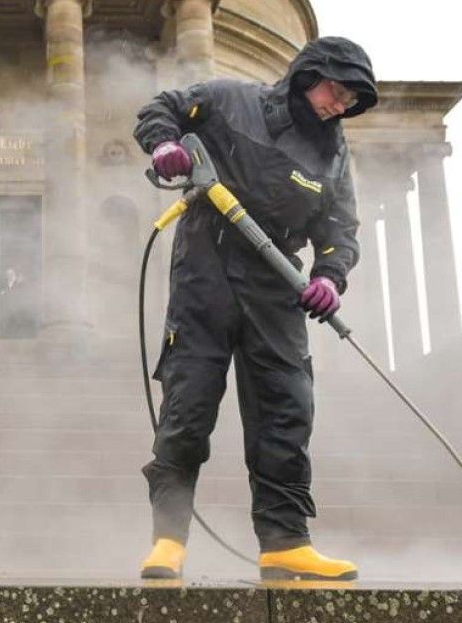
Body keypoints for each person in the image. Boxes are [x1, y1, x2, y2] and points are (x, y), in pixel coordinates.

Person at [133, 36, 377, 581]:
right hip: (206, 271)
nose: (340, 105)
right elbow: (162, 108)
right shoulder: (229, 99)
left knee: (286, 411)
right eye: (337, 91)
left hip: (276, 287)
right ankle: (168, 540)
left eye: (351, 101)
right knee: (188, 406)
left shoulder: (333, 153)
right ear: (307, 74)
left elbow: (340, 229)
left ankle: (285, 542)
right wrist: (163, 145)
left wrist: (329, 277)